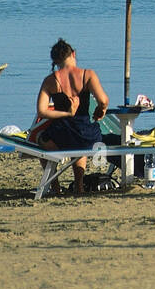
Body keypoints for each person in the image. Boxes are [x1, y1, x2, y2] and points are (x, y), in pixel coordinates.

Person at [31, 39, 110, 195]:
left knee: (40, 138)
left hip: (62, 134)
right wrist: (101, 110)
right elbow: (103, 100)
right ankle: (79, 186)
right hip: (86, 134)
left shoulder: (50, 80)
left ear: (55, 61)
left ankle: (55, 186)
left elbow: (41, 111)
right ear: (73, 54)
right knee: (79, 144)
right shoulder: (88, 75)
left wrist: (67, 113)